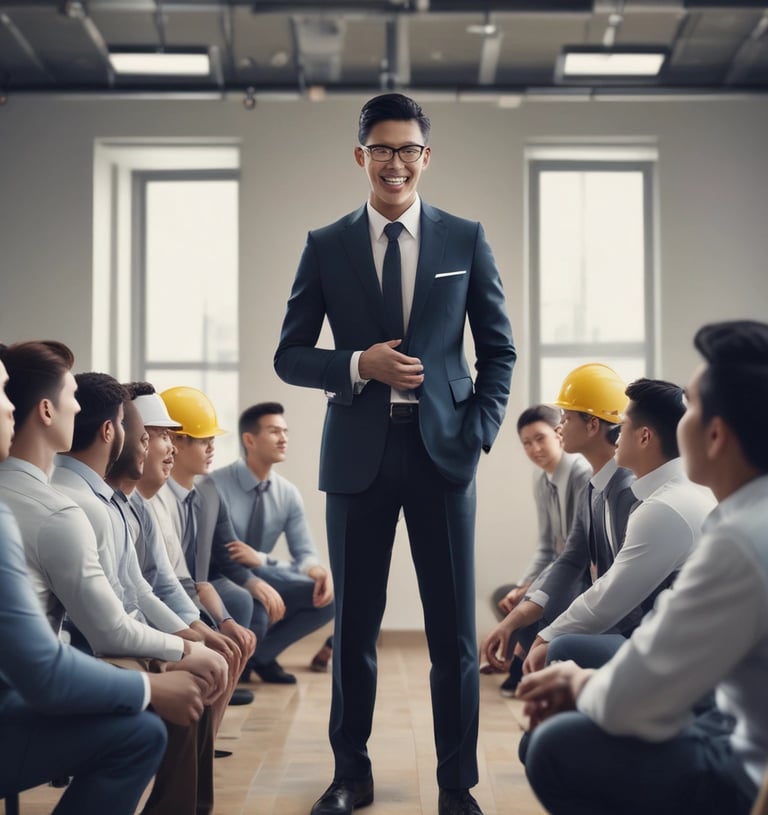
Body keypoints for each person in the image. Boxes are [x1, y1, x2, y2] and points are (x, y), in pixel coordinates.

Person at [274, 92, 516, 815]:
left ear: (426, 158)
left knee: (451, 636)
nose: (395, 162)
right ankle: (351, 775)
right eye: (381, 149)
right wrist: (357, 365)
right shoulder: (326, 244)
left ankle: (457, 786)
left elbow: (497, 347)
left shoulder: (465, 239)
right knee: (354, 630)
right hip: (356, 458)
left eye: (408, 149)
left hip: (445, 456)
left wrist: (477, 431)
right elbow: (289, 355)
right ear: (361, 157)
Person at [516, 319, 768, 815]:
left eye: (691, 406)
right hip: (726, 709)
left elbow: (634, 690)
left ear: (715, 434)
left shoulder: (733, 536)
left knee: (551, 747)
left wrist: (576, 684)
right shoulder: (736, 516)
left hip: (745, 759)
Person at [0, 341, 226, 815]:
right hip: (36, 682)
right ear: (46, 410)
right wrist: (168, 666)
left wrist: (187, 638)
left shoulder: (80, 502)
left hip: (46, 669)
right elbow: (60, 658)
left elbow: (145, 586)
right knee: (140, 734)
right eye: (70, 395)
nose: (7, 405)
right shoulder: (56, 509)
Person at [522, 378, 715, 675]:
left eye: (622, 426)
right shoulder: (677, 492)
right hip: (686, 646)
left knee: (562, 647)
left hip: (688, 663)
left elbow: (609, 598)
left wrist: (546, 636)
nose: (615, 434)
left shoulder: (664, 508)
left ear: (644, 437)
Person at [107, 382, 252, 734]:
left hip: (145, 624)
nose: (169, 448)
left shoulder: (148, 504)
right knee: (205, 662)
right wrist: (188, 639)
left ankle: (199, 767)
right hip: (124, 636)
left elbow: (163, 582)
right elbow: (129, 601)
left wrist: (198, 629)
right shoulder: (115, 505)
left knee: (229, 631)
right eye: (155, 436)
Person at [480, 363, 635, 678]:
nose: (560, 426)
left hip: (634, 629)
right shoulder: (593, 488)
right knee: (534, 622)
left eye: (565, 418)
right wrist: (513, 620)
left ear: (593, 425)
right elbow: (568, 559)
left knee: (555, 643)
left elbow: (617, 582)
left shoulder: (627, 488)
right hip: (611, 616)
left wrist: (546, 634)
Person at [207, 401, 335, 685]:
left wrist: (314, 569)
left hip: (261, 572)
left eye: (285, 431)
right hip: (222, 575)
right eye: (275, 431)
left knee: (326, 597)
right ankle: (240, 662)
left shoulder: (287, 494)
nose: (284, 438)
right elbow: (216, 556)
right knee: (257, 611)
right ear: (249, 440)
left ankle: (260, 657)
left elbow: (304, 552)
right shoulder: (214, 485)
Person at [488, 404, 591, 695]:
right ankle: (521, 663)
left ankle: (522, 666)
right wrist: (522, 585)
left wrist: (531, 589)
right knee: (506, 597)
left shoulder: (580, 474)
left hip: (581, 575)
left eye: (540, 438)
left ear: (559, 434)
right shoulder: (542, 478)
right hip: (561, 567)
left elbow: (574, 554)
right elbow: (547, 546)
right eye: (526, 443)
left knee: (533, 601)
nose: (534, 448)